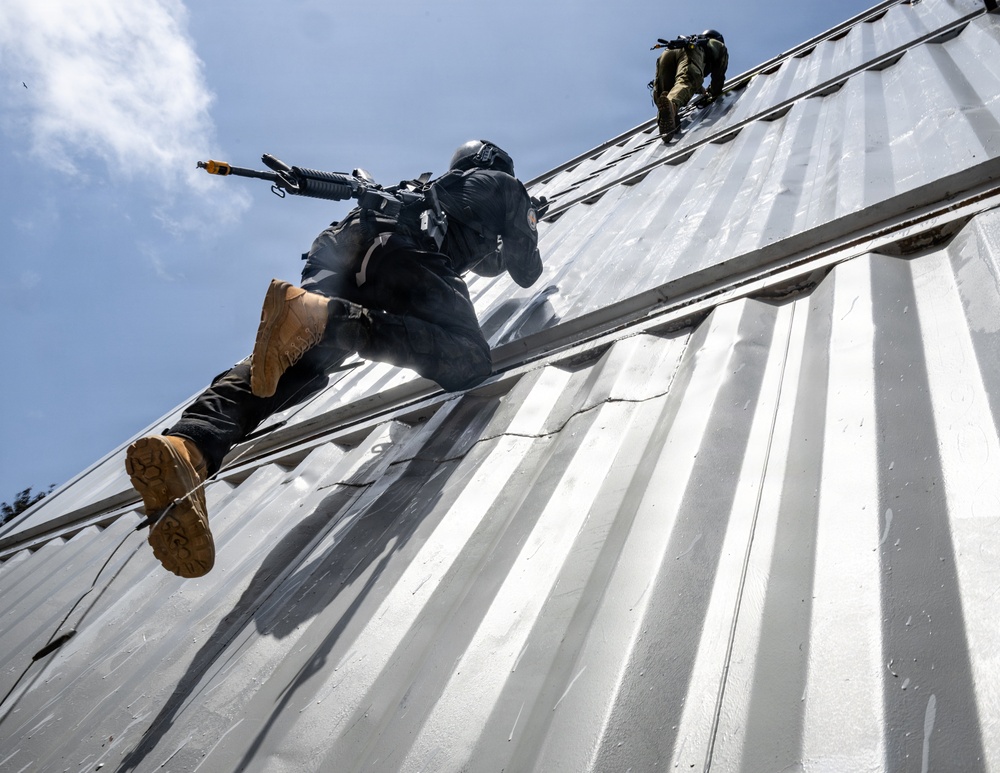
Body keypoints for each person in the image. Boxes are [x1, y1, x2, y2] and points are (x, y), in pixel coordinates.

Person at [124, 140, 543, 579]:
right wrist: (532, 215)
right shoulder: (504, 185)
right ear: (498, 162)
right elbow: (525, 270)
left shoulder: (440, 190)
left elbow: (490, 265)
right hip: (404, 248)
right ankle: (326, 319)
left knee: (292, 362)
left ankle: (189, 446)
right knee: (468, 359)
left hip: (345, 244)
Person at [653, 29, 729, 141]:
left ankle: (667, 119)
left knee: (665, 93)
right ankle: (672, 107)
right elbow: (719, 74)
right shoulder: (718, 45)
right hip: (690, 51)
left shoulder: (693, 38)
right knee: (688, 80)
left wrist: (702, 90)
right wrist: (714, 92)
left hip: (667, 53)